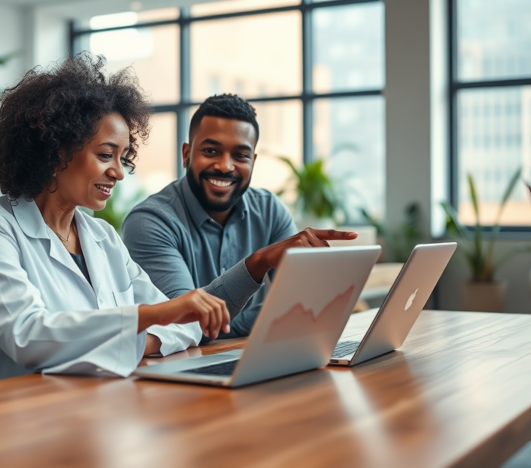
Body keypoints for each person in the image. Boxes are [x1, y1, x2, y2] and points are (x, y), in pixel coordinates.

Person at [0, 54, 229, 390]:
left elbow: (187, 324)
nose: (119, 172)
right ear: (57, 151)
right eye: (106, 155)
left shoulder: (102, 237)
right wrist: (148, 319)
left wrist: (127, 341)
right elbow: (29, 339)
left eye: (123, 157)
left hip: (76, 406)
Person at [122, 94, 356, 339]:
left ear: (253, 161)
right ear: (186, 154)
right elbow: (185, 326)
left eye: (240, 155)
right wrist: (257, 264)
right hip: (182, 368)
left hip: (255, 356)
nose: (225, 166)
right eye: (211, 151)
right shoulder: (149, 222)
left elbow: (304, 310)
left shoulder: (270, 210)